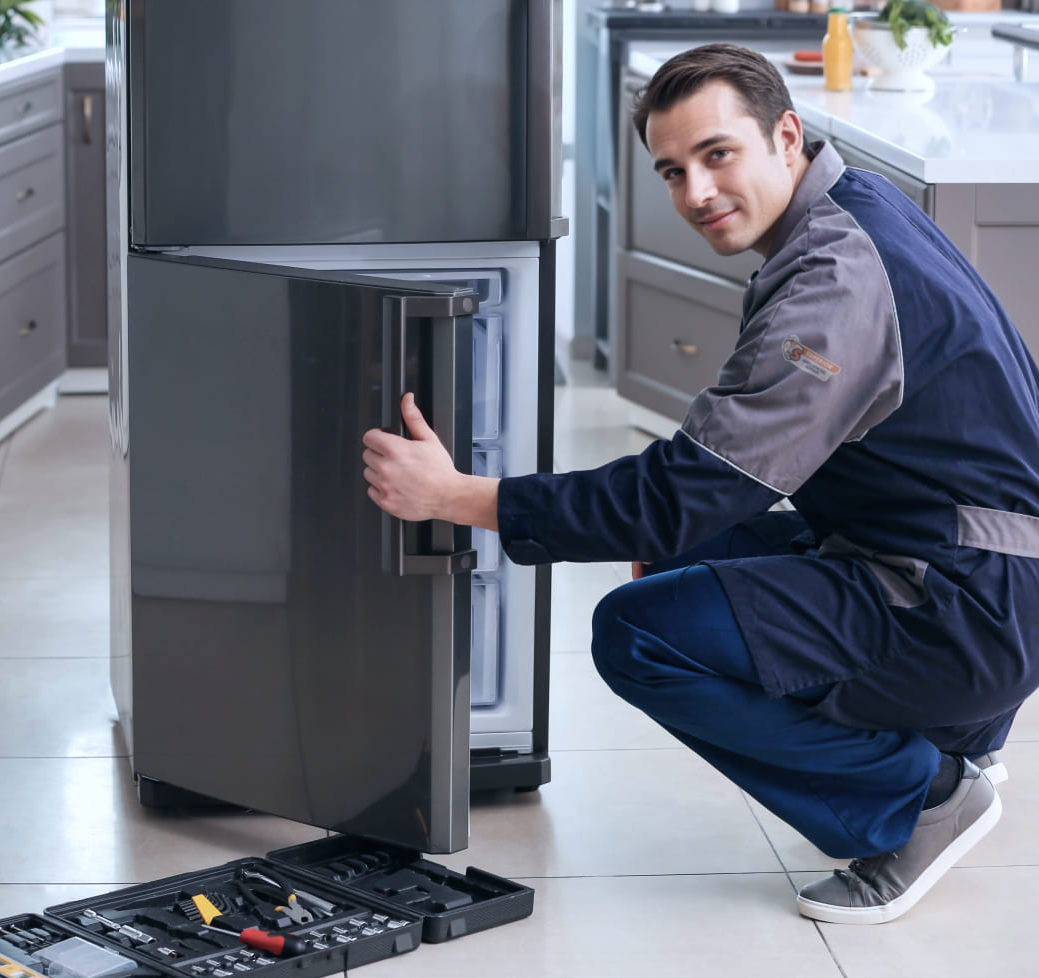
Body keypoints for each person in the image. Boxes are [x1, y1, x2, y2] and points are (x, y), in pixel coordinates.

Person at [361, 42, 1039, 925]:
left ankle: (923, 798)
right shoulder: (855, 208)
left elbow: (680, 492)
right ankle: (956, 735)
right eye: (673, 171)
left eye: (718, 156)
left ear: (784, 136)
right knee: (673, 556)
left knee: (639, 633)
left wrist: (460, 497)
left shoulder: (831, 284)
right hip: (972, 563)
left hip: (966, 603)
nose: (697, 195)